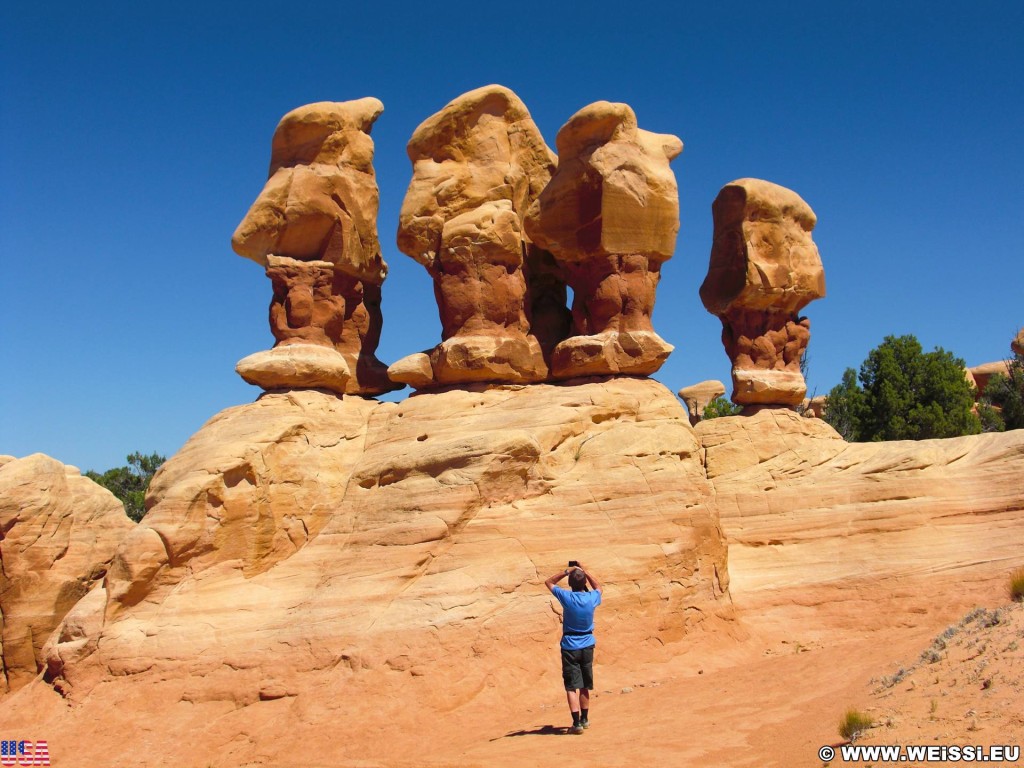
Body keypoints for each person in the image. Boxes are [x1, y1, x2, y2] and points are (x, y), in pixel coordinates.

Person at [544, 563, 602, 734]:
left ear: (570, 583)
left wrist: (566, 571)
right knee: (584, 684)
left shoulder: (567, 598)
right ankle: (585, 719)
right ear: (584, 582)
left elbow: (549, 582)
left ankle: (576, 723)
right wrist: (585, 571)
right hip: (587, 643)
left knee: (571, 686)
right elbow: (598, 586)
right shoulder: (591, 598)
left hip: (570, 645)